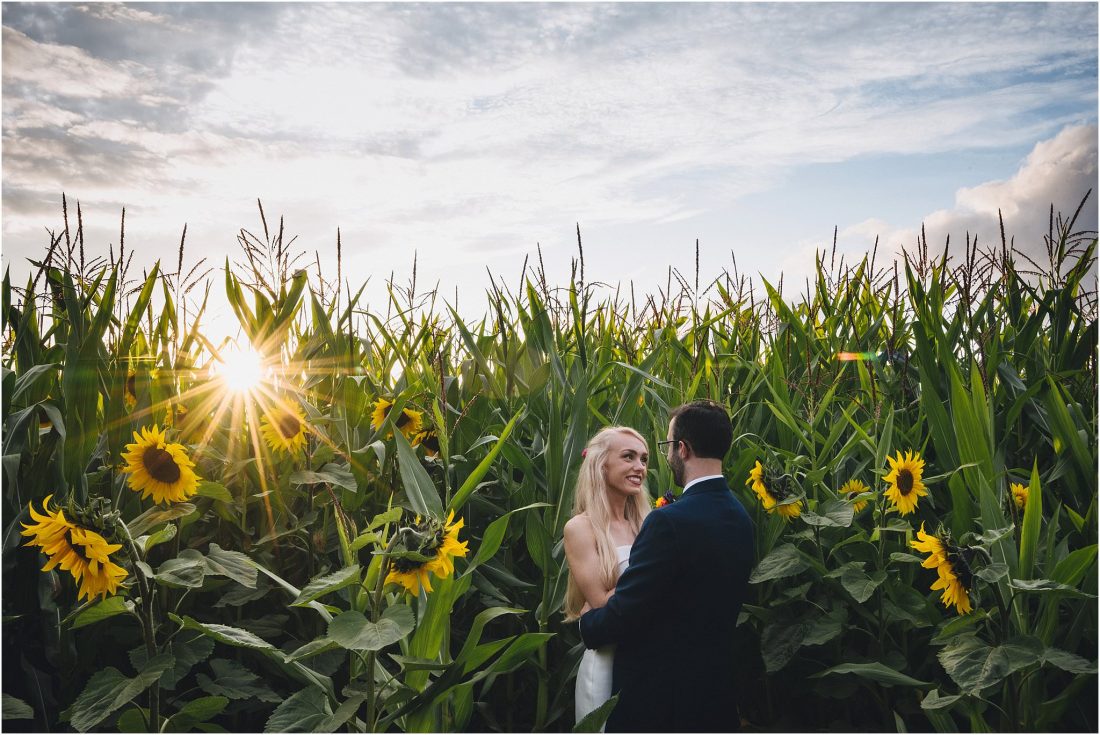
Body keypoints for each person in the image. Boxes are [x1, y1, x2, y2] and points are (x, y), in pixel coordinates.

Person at [579, 399, 755, 732]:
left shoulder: (668, 522)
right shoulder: (741, 519)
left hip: (659, 703)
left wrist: (588, 622)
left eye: (667, 446)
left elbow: (624, 614)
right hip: (713, 695)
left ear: (683, 449)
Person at [563, 426, 652, 730]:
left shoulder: (648, 523)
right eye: (628, 457)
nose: (639, 467)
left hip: (646, 658)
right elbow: (601, 603)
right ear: (602, 465)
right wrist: (656, 581)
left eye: (643, 459)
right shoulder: (580, 528)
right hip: (605, 661)